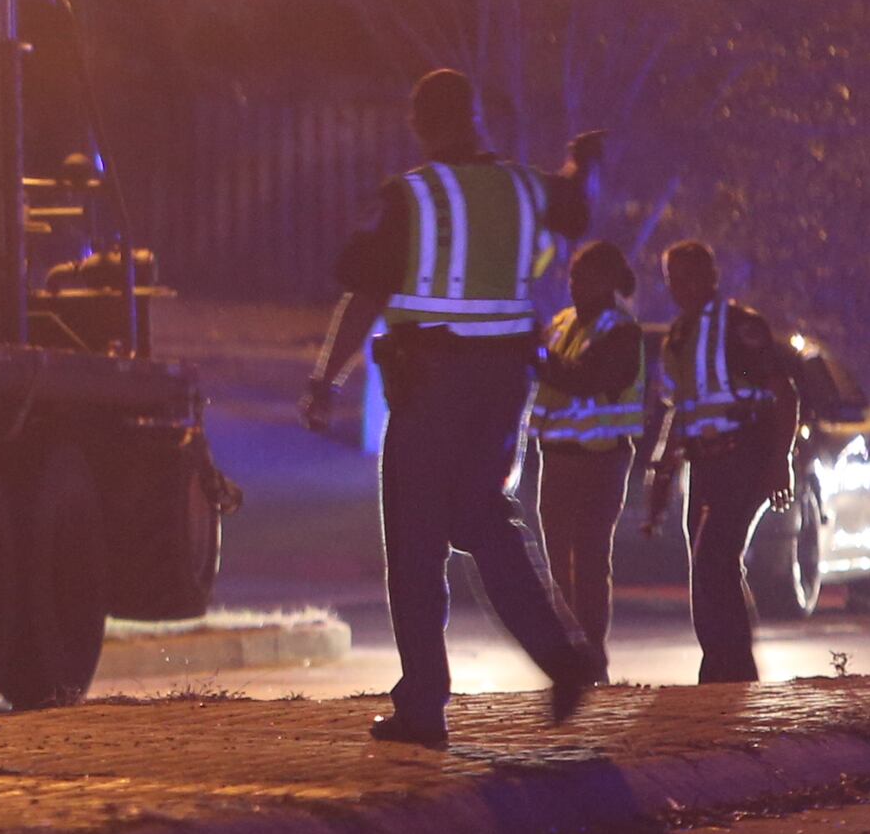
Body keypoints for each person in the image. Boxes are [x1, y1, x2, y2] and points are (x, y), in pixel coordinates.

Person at [300, 68, 606, 748]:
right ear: (475, 118)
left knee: (415, 539)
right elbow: (577, 208)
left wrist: (328, 380)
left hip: (432, 386)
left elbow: (363, 293)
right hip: (502, 389)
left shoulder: (412, 197)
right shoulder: (527, 188)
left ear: (421, 122)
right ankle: (565, 657)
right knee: (483, 518)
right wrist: (581, 163)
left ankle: (423, 709)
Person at [635, 241, 800, 685]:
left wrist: (779, 462)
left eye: (690, 276)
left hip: (744, 456)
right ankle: (719, 666)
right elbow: (679, 411)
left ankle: (734, 670)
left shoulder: (740, 327)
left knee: (715, 559)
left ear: (712, 276)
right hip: (703, 465)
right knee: (705, 565)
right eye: (673, 279)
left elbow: (783, 394)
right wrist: (661, 475)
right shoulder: (678, 335)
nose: (681, 288)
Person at [530, 240, 648, 653]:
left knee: (590, 558)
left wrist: (537, 353)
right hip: (557, 456)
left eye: (583, 274)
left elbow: (586, 378)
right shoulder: (562, 322)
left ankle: (590, 652)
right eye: (573, 273)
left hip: (600, 459)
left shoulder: (620, 330)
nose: (573, 281)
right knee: (558, 560)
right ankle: (567, 651)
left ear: (606, 280)